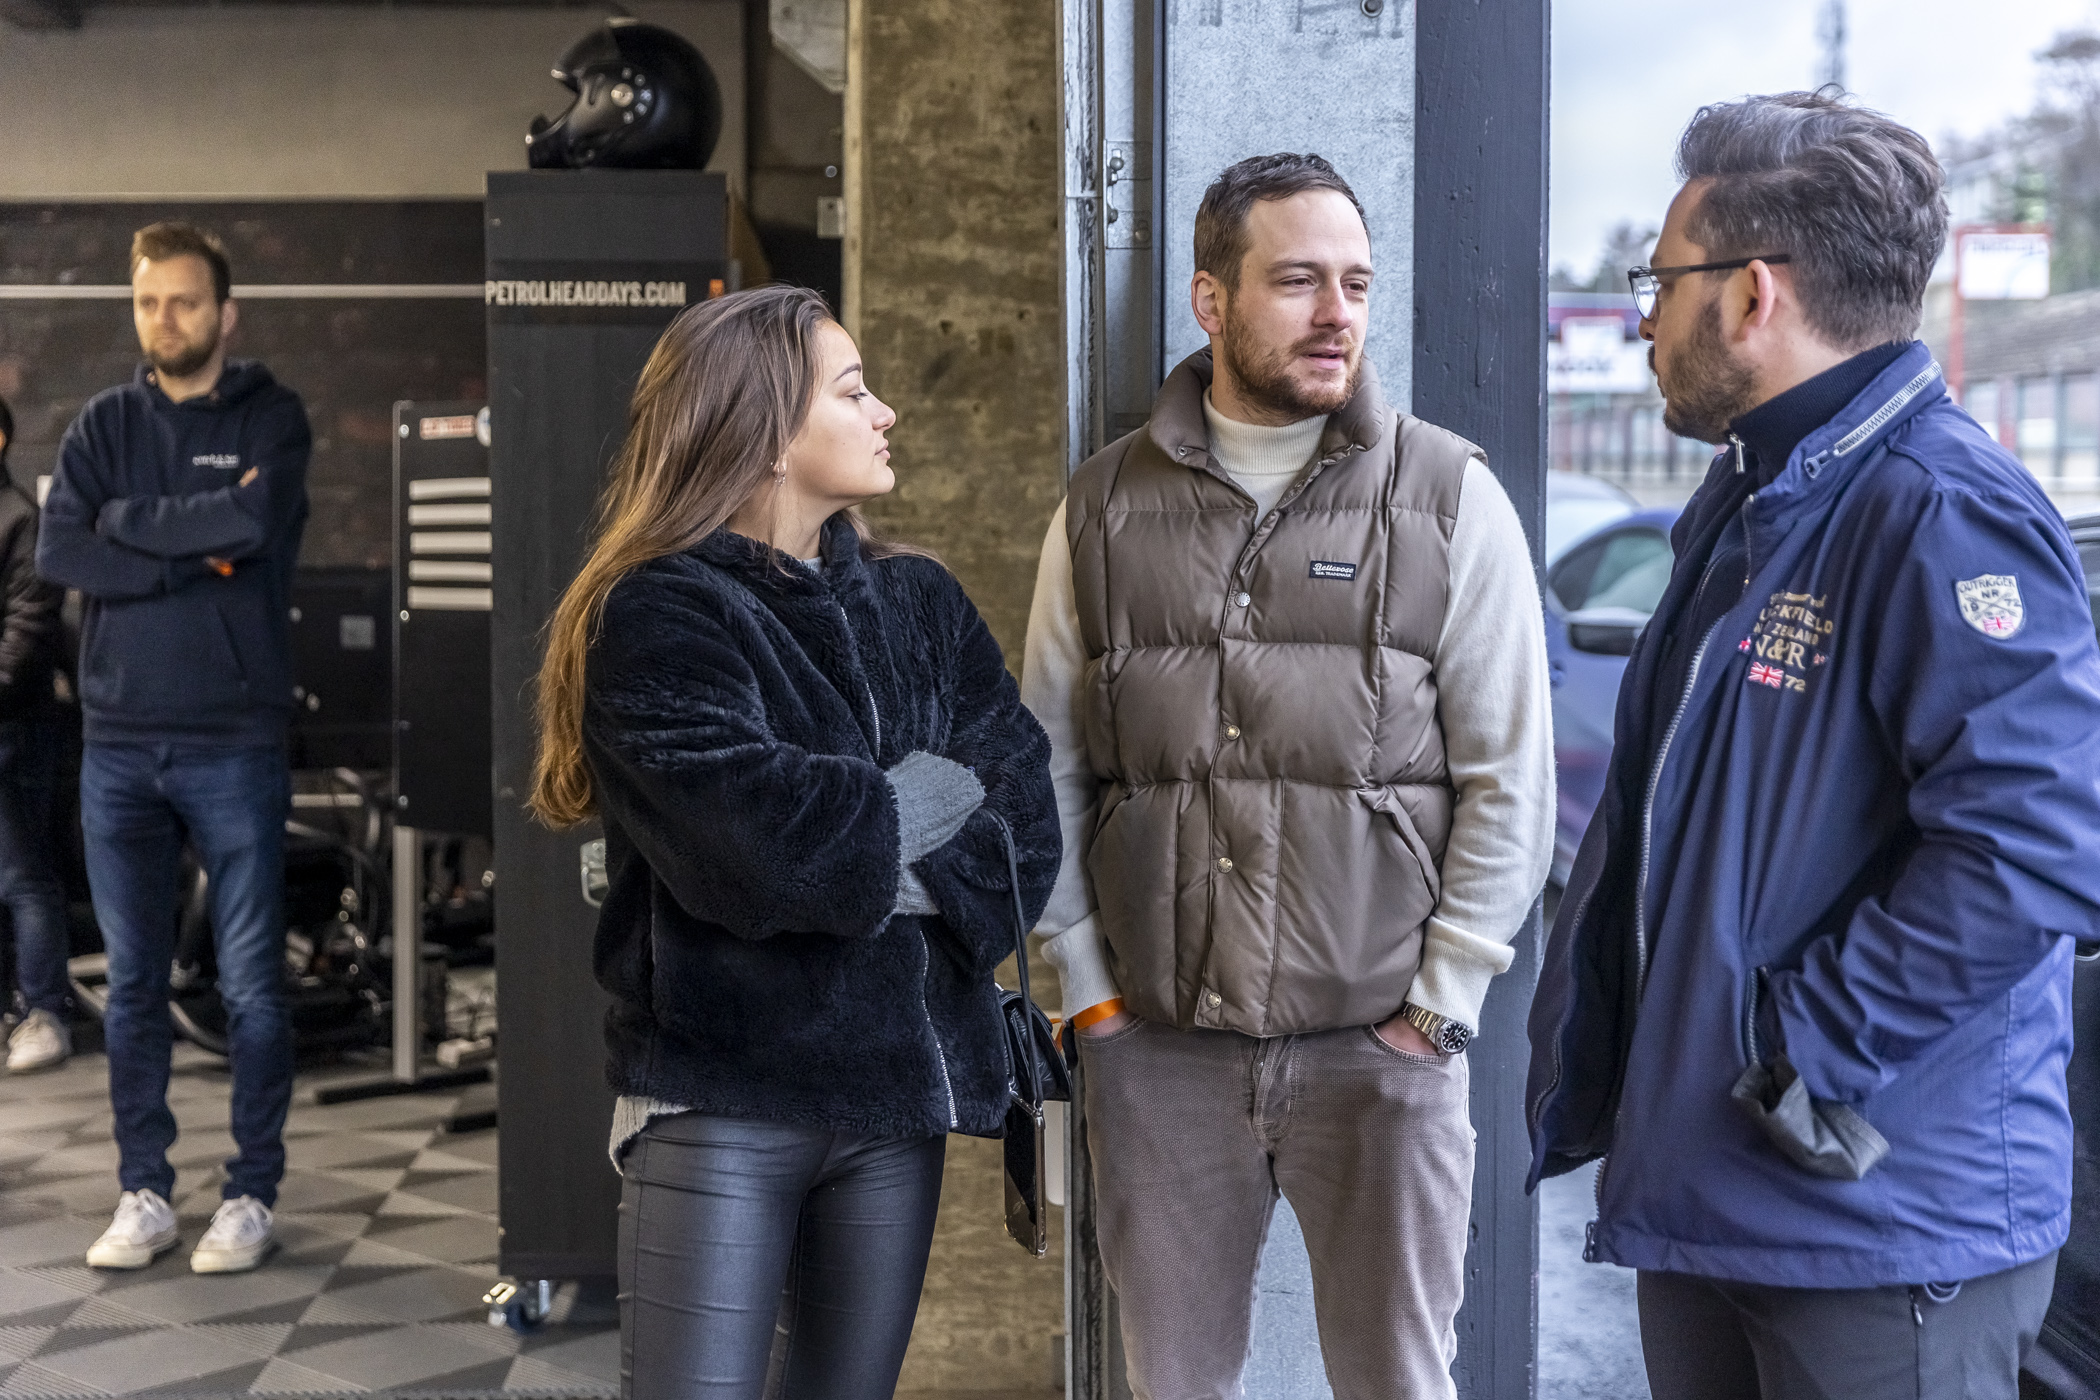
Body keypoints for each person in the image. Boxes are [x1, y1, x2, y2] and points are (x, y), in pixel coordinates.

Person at [1526, 92, 2100, 1400]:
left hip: (1874, 1226)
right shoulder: (1753, 501)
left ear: (1752, 294)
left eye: (1661, 284)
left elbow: (2031, 852)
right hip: (1722, 1198)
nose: (1644, 320)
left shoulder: (1940, 510)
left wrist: (1802, 1053)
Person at [1023, 153, 1553, 1399]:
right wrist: (1088, 988)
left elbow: (1511, 778)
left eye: (1356, 284)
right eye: (1299, 281)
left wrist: (1439, 1006)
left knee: (1397, 1382)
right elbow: (1041, 762)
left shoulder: (1448, 495)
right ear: (1210, 299)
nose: (1337, 315)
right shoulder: (1100, 507)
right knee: (1173, 1384)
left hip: (1380, 1056)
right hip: (1158, 1050)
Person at [529, 285, 1060, 1400]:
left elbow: (1023, 827)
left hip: (895, 1104)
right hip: (721, 1100)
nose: (887, 412)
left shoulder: (921, 601)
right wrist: (925, 809)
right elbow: (761, 852)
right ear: (765, 430)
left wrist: (855, 845)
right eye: (854, 391)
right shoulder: (657, 611)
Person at [37, 221, 311, 1275]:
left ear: (226, 314)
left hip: (232, 739)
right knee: (134, 985)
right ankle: (143, 1188)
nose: (165, 319)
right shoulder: (104, 422)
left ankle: (251, 1191)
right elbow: (63, 548)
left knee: (250, 986)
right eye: (149, 301)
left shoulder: (272, 418)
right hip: (116, 743)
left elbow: (253, 524)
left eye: (185, 300)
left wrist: (127, 523)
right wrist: (183, 552)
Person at [0, 395, 71, 1074]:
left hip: (14, 728)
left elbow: (25, 632)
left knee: (23, 876)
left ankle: (45, 1012)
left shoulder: (21, 519)